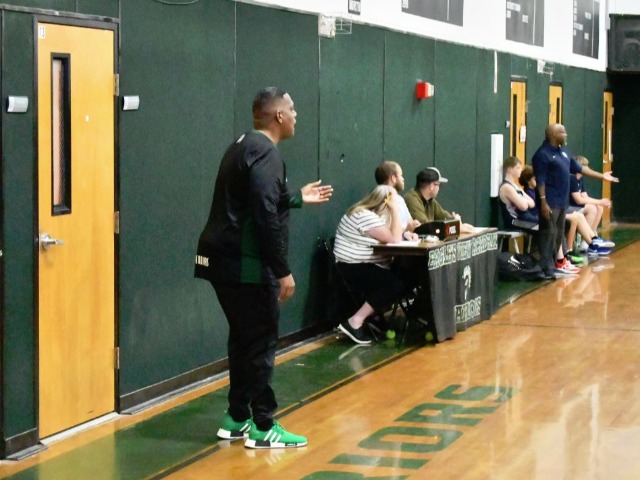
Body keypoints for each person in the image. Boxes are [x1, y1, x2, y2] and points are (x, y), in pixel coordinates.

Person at [194, 87, 333, 449]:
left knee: (245, 339)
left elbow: (254, 200)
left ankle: (237, 417)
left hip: (220, 260)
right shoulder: (267, 153)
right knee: (259, 342)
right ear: (279, 116)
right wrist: (282, 270)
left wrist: (296, 198)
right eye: (292, 109)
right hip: (246, 266)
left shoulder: (242, 145)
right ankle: (263, 425)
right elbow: (263, 214)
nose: (296, 115)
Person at [531, 124, 619, 278]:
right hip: (550, 202)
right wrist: (543, 202)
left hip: (562, 201)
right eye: (562, 132)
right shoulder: (542, 154)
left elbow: (580, 168)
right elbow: (540, 181)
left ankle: (556, 264)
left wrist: (602, 176)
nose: (565, 135)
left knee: (558, 234)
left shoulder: (564, 152)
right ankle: (545, 268)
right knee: (548, 233)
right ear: (552, 134)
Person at [333, 185, 416, 345]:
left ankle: (374, 317)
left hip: (362, 265)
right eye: (395, 200)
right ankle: (355, 321)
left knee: (407, 277)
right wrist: (394, 210)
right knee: (394, 284)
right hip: (351, 267)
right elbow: (394, 239)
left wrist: (405, 234)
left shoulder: (370, 215)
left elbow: (391, 234)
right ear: (386, 202)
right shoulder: (363, 215)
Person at [404, 167, 474, 232]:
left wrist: (457, 222)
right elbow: (426, 226)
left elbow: (444, 216)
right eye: (439, 185)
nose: (439, 188)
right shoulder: (411, 198)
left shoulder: (430, 200)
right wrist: (456, 228)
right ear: (431, 186)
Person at [569, 155, 615, 252]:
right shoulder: (572, 178)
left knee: (599, 207)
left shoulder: (580, 178)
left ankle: (592, 236)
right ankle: (586, 241)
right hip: (571, 207)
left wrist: (600, 202)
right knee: (592, 208)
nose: (587, 168)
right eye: (585, 166)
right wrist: (599, 201)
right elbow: (579, 200)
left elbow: (585, 197)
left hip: (577, 206)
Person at [374, 160, 421, 232]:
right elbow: (386, 232)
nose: (403, 179)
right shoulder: (380, 200)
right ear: (393, 178)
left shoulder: (400, 199)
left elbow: (410, 223)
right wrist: (406, 229)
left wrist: (413, 226)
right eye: (401, 175)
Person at [499, 156, 538, 231]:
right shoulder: (506, 187)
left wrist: (521, 199)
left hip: (525, 217)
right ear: (510, 169)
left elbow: (532, 203)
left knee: (548, 223)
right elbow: (523, 206)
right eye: (518, 168)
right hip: (514, 221)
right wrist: (524, 200)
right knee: (544, 227)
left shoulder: (515, 186)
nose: (520, 170)